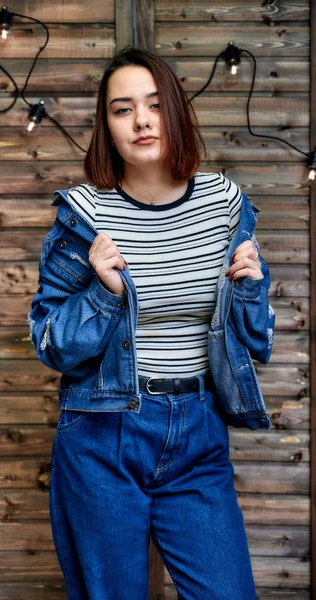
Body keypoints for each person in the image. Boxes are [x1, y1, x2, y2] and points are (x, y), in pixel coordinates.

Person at [28, 46, 274, 599]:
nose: (141, 120)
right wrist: (104, 295)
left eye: (155, 104)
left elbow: (257, 342)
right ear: (106, 125)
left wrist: (252, 291)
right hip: (101, 435)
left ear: (177, 114)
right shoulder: (84, 216)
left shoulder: (226, 205)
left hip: (197, 430)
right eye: (122, 109)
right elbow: (50, 344)